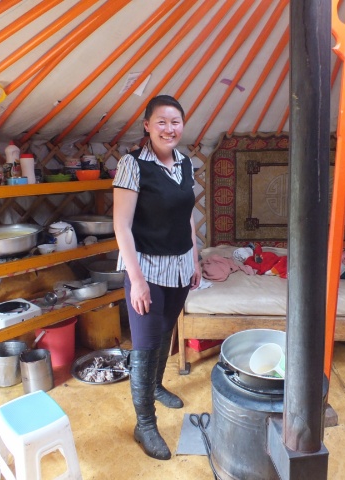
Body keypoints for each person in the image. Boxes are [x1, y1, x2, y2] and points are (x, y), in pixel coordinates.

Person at [112, 95, 201, 460]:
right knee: (146, 344)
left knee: (165, 333)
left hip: (179, 266)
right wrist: (136, 280)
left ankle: (157, 386)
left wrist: (195, 258)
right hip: (145, 268)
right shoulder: (132, 164)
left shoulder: (185, 163)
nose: (169, 128)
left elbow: (187, 215)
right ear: (147, 125)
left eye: (175, 122)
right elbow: (121, 225)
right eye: (161, 122)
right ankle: (145, 424)